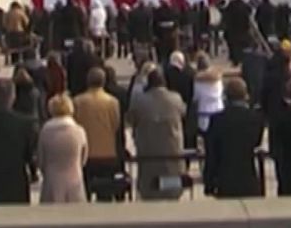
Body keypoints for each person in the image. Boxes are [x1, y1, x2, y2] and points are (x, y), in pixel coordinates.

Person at [128, 68, 187, 201]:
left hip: (148, 149)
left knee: (149, 184)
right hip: (171, 149)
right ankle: (171, 191)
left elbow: (130, 119)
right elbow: (184, 112)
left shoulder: (139, 100)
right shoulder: (175, 98)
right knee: (171, 181)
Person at [204, 77, 265, 198]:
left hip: (225, 179)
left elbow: (211, 152)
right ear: (246, 95)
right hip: (248, 178)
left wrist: (209, 182)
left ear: (225, 96)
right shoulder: (255, 118)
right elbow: (256, 142)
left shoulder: (217, 120)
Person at [73, 67, 123, 198]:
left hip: (86, 154)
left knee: (86, 190)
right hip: (108, 152)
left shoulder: (78, 101)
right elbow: (116, 125)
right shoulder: (113, 102)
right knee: (105, 193)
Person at [37, 93, 88, 204]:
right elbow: (83, 159)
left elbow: (41, 159)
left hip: (52, 180)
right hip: (75, 180)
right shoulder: (79, 131)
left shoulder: (45, 131)